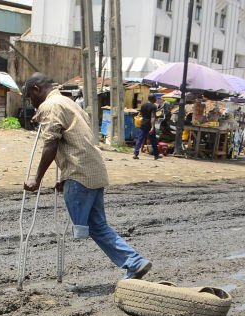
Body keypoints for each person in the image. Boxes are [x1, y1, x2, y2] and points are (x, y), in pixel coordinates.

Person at [22, 73, 152, 281]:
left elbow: (51, 143)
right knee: (98, 225)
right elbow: (77, 139)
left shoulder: (50, 105)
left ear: (37, 89)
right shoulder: (69, 103)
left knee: (89, 227)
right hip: (94, 171)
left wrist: (36, 179)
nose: (31, 102)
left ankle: (134, 261)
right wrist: (65, 177)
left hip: (80, 173)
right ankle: (135, 262)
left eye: (30, 96)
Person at [134, 94, 160, 160]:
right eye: (155, 98)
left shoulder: (143, 105)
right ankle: (156, 155)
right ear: (153, 99)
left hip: (143, 123)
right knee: (153, 140)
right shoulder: (153, 106)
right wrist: (152, 127)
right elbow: (153, 117)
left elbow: (142, 115)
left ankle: (136, 154)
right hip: (149, 124)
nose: (156, 99)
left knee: (140, 138)